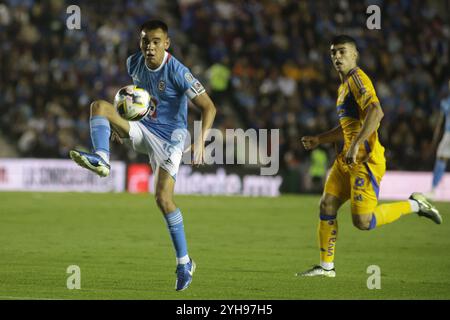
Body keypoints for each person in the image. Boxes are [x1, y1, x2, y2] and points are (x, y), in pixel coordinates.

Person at [69, 20, 216, 291]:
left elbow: (209, 107)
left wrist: (200, 142)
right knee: (100, 106)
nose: (150, 47)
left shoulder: (178, 71)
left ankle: (185, 262)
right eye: (146, 41)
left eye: (156, 41)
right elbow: (141, 100)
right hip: (143, 129)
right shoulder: (133, 63)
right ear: (140, 42)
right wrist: (119, 123)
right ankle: (102, 158)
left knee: (163, 199)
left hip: (172, 138)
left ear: (166, 44)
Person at [297, 35, 442, 277]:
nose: (337, 57)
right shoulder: (343, 87)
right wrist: (320, 139)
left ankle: (416, 204)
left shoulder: (358, 79)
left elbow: (377, 112)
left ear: (355, 55)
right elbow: (347, 128)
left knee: (363, 222)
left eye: (343, 52)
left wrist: (355, 145)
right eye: (333, 53)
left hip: (364, 160)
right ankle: (326, 267)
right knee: (327, 203)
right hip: (346, 159)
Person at [428, 80, 450, 198]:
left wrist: (435, 138)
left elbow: (439, 123)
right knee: (442, 158)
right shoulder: (445, 102)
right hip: (447, 134)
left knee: (441, 158)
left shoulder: (445, 103)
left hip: (448, 134)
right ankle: (433, 189)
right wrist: (435, 137)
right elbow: (440, 122)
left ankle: (433, 190)